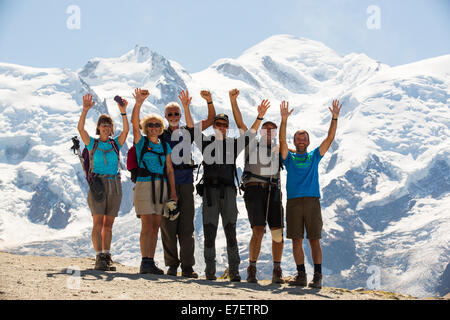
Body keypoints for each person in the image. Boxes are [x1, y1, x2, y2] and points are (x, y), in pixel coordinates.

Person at [187, 90, 270, 282]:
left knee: (230, 230)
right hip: (209, 192)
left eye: (225, 125)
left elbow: (250, 134)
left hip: (228, 192)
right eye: (218, 124)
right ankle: (210, 271)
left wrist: (259, 117)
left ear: (228, 128)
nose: (221, 128)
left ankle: (233, 270)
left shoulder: (234, 144)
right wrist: (201, 103)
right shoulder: (205, 142)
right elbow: (192, 128)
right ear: (214, 126)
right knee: (209, 231)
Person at [279, 99, 342, 289]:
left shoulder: (314, 156)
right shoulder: (288, 158)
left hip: (312, 201)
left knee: (314, 239)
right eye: (298, 138)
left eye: (304, 138)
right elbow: (281, 141)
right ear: (294, 142)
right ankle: (301, 275)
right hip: (293, 202)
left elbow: (329, 139)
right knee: (296, 239)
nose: (301, 141)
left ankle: (317, 276)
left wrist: (334, 118)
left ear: (308, 142)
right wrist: (284, 120)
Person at [228, 88, 285, 284]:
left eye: (272, 129)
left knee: (277, 231)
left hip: (274, 190)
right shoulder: (251, 144)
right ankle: (252, 268)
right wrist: (233, 101)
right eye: (265, 128)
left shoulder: (280, 148)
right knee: (258, 229)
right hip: (254, 189)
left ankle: (277, 270)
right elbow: (240, 124)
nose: (269, 131)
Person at [159, 89, 215, 278]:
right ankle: (172, 265)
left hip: (186, 183)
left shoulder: (187, 131)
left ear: (181, 115)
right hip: (167, 184)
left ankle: (187, 267)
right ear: (165, 117)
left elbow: (211, 119)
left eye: (176, 114)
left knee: (186, 227)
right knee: (168, 226)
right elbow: (138, 130)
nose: (173, 116)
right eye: (170, 114)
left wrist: (207, 101)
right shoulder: (160, 134)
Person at [77, 93, 129, 271]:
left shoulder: (116, 144)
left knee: (108, 224)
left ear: (111, 128)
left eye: (108, 126)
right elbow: (81, 130)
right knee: (98, 222)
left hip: (114, 184)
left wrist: (123, 112)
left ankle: (106, 255)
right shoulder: (93, 144)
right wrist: (85, 111)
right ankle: (99, 257)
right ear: (98, 128)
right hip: (98, 185)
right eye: (103, 125)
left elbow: (127, 131)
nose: (106, 128)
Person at [131, 88, 178, 275]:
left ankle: (150, 260)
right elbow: (134, 125)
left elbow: (169, 169)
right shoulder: (141, 142)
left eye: (157, 125)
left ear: (161, 128)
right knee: (147, 223)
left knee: (156, 225)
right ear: (146, 127)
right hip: (144, 184)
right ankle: (145, 261)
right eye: (150, 125)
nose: (153, 128)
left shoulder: (164, 145)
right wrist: (138, 103)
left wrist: (172, 192)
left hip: (161, 186)